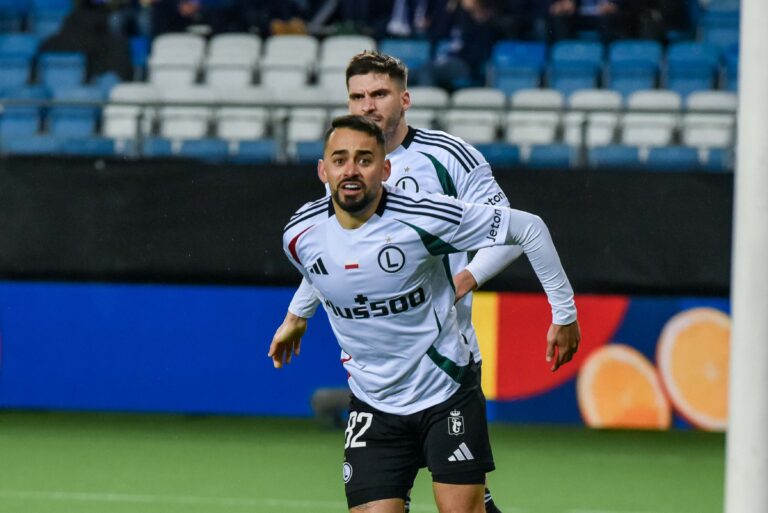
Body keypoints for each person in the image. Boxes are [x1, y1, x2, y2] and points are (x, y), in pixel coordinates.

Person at [271, 49, 565, 513]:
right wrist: (297, 313)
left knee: (456, 500)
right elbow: (334, 250)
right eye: (357, 96)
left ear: (404, 98)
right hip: (379, 367)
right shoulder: (350, 164)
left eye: (379, 94)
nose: (367, 105)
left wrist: (470, 274)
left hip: (445, 353)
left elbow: (513, 231)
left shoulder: (447, 156)